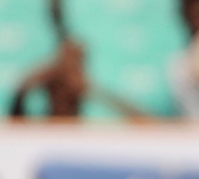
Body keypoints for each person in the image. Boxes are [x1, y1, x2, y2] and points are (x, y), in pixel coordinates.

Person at [9, 39, 143, 120]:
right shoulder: (35, 90)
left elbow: (148, 124)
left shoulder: (88, 93)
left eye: (78, 64)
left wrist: (91, 90)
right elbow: (11, 123)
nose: (70, 69)